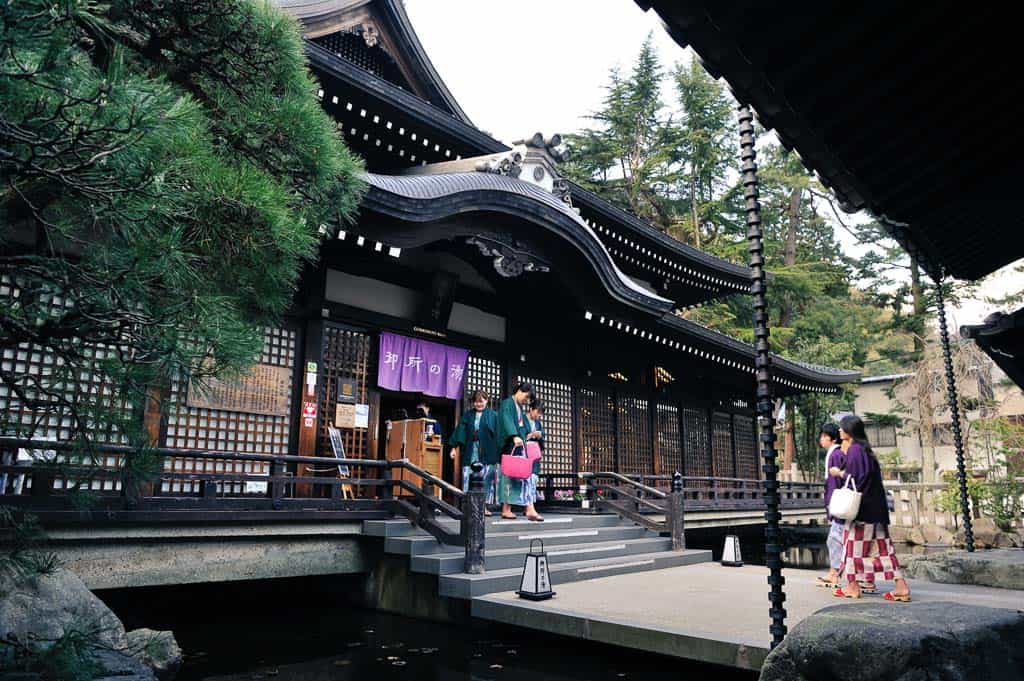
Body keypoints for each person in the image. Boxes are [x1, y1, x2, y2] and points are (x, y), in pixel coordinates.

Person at [833, 414, 911, 602]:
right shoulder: (865, 450)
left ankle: (853, 586)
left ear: (850, 430)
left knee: (852, 548)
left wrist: (840, 473)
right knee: (884, 549)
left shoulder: (855, 450)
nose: (839, 430)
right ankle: (900, 586)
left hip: (862, 510)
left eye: (842, 427)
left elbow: (856, 479)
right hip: (876, 509)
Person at [448, 390, 498, 515]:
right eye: (476, 402)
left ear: (487, 401)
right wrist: (454, 447)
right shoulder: (468, 415)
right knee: (468, 477)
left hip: (488, 451)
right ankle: (469, 506)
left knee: (486, 478)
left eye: (481, 401)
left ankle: (483, 507)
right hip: (471, 449)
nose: (478, 404)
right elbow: (460, 431)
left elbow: (499, 434)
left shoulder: (493, 415)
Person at [495, 381, 533, 520]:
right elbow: (506, 420)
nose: (526, 401)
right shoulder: (507, 404)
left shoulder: (518, 408)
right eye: (526, 397)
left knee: (516, 476)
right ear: (519, 390)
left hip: (516, 445)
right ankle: (506, 509)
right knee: (508, 477)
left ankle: (524, 507)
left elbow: (523, 426)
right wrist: (514, 435)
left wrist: (525, 435)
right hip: (509, 445)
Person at [815, 423, 845, 588]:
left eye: (824, 436)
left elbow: (834, 484)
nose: (821, 439)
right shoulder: (835, 454)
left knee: (834, 539)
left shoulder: (835, 455)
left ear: (832, 438)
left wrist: (831, 507)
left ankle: (834, 574)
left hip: (839, 505)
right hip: (839, 504)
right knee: (837, 539)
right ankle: (834, 573)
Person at [522, 398, 546, 522]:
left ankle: (529, 507)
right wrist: (531, 435)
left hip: (534, 454)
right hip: (523, 453)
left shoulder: (538, 423)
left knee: (532, 479)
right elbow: (518, 434)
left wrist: (540, 436)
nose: (538, 415)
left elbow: (542, 437)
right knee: (526, 479)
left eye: (540, 414)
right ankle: (529, 508)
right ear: (531, 409)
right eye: (537, 412)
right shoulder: (522, 419)